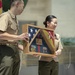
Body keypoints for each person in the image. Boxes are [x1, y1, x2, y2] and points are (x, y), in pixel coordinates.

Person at [0, 0, 29, 75]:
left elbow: (13, 40)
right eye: (22, 7)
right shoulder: (5, 16)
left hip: (15, 51)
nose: (23, 9)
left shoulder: (15, 19)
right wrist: (19, 37)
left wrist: (25, 48)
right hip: (5, 50)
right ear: (17, 4)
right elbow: (1, 35)